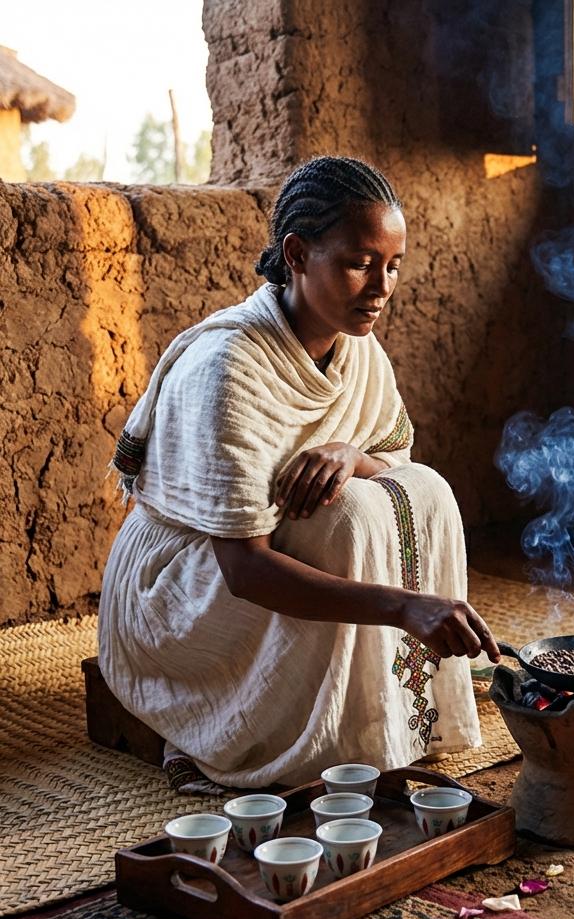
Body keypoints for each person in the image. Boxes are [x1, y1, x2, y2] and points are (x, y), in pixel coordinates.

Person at [98, 155, 499, 794]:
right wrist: (402, 607)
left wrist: (347, 452)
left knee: (427, 491)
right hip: (179, 585)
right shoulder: (229, 366)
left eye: (392, 265)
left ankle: (394, 721)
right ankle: (310, 746)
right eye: (359, 262)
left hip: (261, 555)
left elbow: (394, 459)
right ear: (296, 254)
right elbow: (244, 566)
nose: (382, 286)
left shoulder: (358, 353)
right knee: (351, 518)